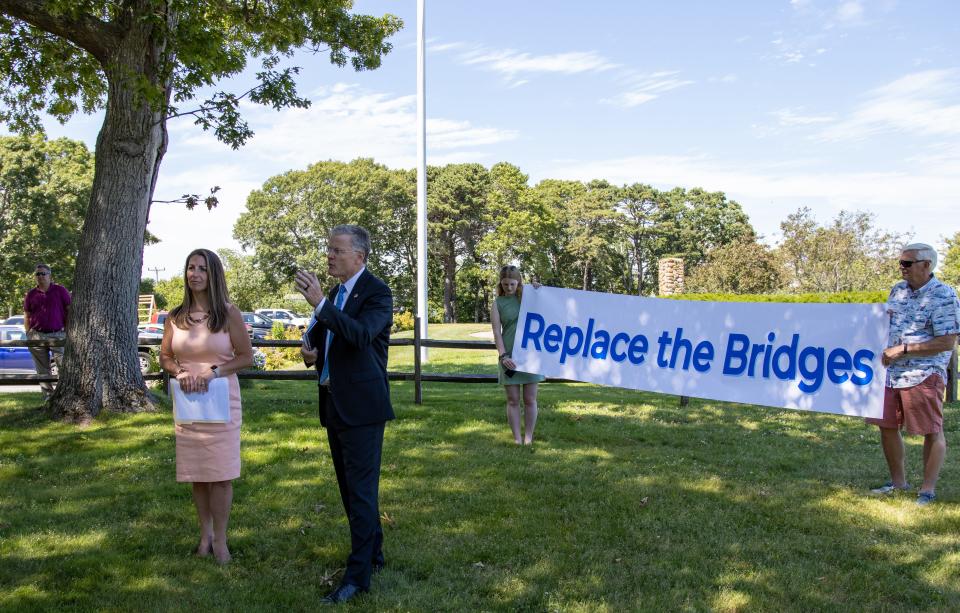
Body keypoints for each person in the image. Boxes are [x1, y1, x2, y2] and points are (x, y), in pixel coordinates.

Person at [296, 224, 394, 605]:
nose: (330, 256)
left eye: (337, 250)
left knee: (362, 493)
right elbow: (325, 339)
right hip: (334, 404)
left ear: (360, 256)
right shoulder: (335, 294)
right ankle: (373, 554)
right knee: (351, 491)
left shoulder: (377, 293)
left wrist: (321, 305)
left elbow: (359, 336)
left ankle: (357, 579)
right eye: (329, 249)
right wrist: (309, 351)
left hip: (363, 409)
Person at [159, 249, 253, 563]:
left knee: (221, 474)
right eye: (190, 268)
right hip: (189, 405)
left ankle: (222, 540)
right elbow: (166, 357)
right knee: (197, 474)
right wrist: (181, 372)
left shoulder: (228, 313)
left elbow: (245, 356)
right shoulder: (175, 316)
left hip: (222, 401)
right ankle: (205, 535)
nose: (195, 274)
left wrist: (211, 371)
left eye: (202, 269)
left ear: (213, 275)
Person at [868, 243, 959, 506]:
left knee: (931, 431)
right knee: (886, 426)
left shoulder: (944, 296)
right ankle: (898, 483)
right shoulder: (898, 291)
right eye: (900, 263)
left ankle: (927, 490)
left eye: (907, 263)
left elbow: (946, 342)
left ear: (926, 265)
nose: (901, 268)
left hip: (923, 374)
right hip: (890, 372)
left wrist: (905, 349)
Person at [491, 265, 544, 445]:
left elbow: (547, 307)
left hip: (531, 355)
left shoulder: (528, 298)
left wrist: (538, 290)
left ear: (519, 282)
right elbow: (497, 333)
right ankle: (517, 439)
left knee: (530, 399)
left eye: (512, 284)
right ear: (501, 283)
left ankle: (529, 437)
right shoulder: (497, 303)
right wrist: (503, 356)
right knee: (513, 400)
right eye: (505, 284)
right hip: (509, 357)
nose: (509, 288)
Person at [23, 263, 71, 400]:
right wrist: (28, 333)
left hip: (58, 334)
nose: (40, 276)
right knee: (42, 370)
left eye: (43, 273)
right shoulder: (31, 294)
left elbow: (69, 310)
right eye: (37, 274)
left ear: (50, 275)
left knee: (63, 366)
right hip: (37, 335)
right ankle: (48, 398)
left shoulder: (60, 290)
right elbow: (27, 315)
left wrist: (67, 330)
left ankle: (64, 397)